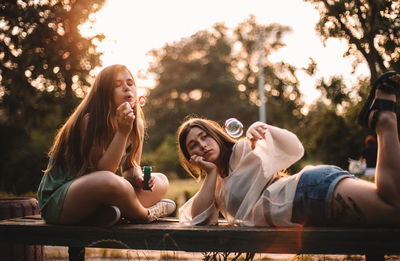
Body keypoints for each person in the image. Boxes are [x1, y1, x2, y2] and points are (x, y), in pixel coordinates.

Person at [177, 71, 400, 227]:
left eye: (205, 137)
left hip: (306, 191)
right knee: (392, 204)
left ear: (216, 136)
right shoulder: (214, 187)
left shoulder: (243, 150)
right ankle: (384, 118)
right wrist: (211, 172)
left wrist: (262, 129)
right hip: (306, 209)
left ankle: (385, 121)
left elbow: (294, 148)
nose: (202, 145)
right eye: (193, 146)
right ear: (191, 158)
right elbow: (198, 219)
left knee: (394, 209)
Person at [37, 64, 176, 227]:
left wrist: (138, 177)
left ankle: (107, 214)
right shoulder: (90, 121)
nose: (126, 88)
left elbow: (130, 167)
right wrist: (122, 133)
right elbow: (104, 172)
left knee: (161, 180)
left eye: (130, 83)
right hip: (59, 201)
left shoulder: (136, 124)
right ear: (104, 93)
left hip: (97, 199)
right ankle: (146, 214)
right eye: (117, 85)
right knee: (109, 180)